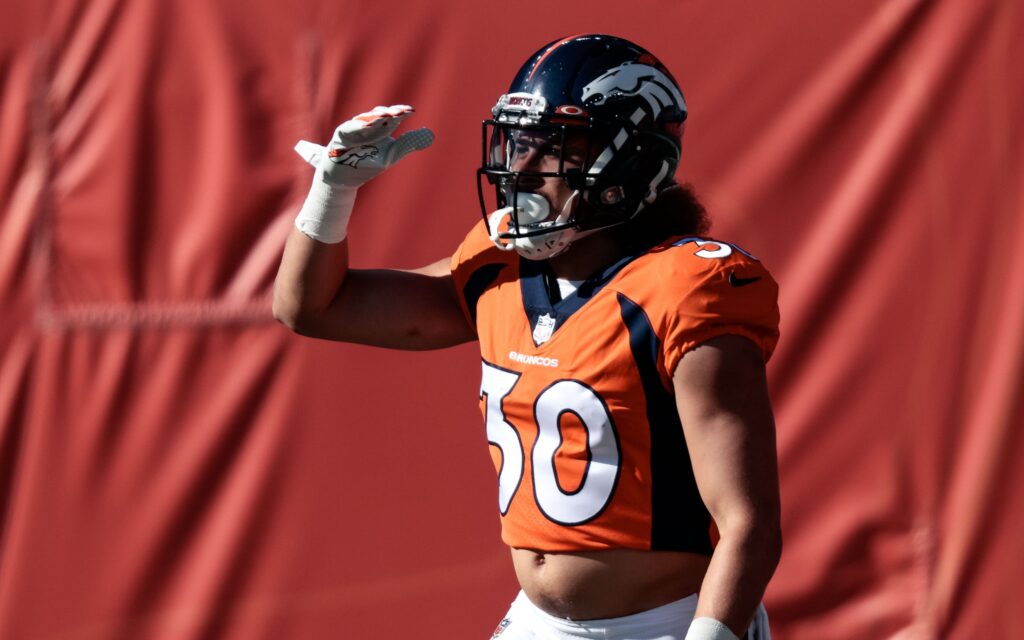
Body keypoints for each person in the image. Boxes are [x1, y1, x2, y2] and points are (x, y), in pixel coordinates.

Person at [274, 34, 781, 640]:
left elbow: (748, 521)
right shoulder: (499, 265)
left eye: (555, 148)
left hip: (669, 622)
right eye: (520, 142)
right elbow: (311, 309)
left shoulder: (686, 288)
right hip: (538, 622)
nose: (521, 167)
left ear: (631, 165)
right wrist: (333, 193)